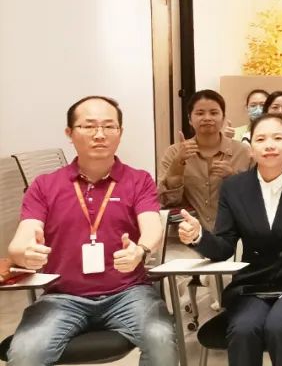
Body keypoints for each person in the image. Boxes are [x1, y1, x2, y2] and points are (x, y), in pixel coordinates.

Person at [6, 96, 178, 366]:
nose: (100, 134)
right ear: (69, 133)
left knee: (162, 339)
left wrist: (141, 250)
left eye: (109, 126)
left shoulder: (138, 180)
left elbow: (152, 226)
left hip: (128, 293)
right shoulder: (45, 185)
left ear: (120, 132)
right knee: (26, 352)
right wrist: (24, 253)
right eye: (89, 126)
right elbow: (22, 239)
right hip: (62, 296)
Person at [178, 113, 282, 365]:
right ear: (250, 148)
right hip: (253, 283)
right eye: (261, 139)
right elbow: (223, 247)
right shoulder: (234, 188)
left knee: (280, 325)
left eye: (277, 138)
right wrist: (198, 236)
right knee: (243, 329)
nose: (269, 145)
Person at [158, 89, 253, 231]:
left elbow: (255, 200)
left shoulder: (243, 152)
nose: (207, 118)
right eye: (200, 113)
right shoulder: (174, 152)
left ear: (223, 118)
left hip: (235, 234)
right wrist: (178, 163)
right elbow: (166, 202)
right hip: (187, 236)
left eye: (214, 113)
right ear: (190, 119)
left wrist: (233, 178)